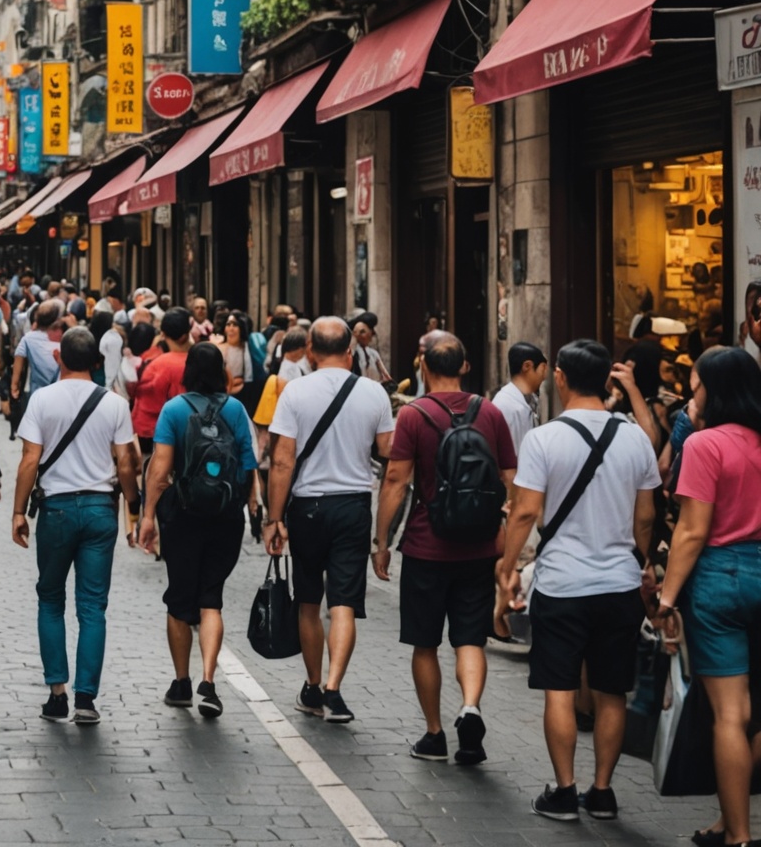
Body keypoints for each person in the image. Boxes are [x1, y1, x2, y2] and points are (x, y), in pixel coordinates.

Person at [496, 340, 660, 823]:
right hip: (619, 585)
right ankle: (603, 792)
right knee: (611, 691)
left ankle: (565, 792)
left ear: (561, 377)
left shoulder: (543, 438)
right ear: (607, 380)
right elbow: (646, 517)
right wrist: (642, 562)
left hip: (562, 584)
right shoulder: (635, 438)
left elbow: (524, 511)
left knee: (560, 690)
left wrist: (507, 568)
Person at [373, 333, 517, 765]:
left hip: (426, 545)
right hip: (479, 545)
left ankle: (434, 734)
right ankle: (470, 707)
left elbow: (396, 480)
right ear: (465, 367)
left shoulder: (413, 414)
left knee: (425, 644)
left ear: (423, 368)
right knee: (470, 638)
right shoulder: (490, 412)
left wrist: (382, 542)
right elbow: (511, 478)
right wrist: (505, 533)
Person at [653, 346, 761, 847]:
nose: (689, 395)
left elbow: (692, 531)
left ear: (713, 391)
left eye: (694, 385)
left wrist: (667, 600)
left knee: (731, 714)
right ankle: (725, 821)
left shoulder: (704, 444)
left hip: (720, 577)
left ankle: (737, 834)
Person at [265, 316, 396, 724]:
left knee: (308, 600)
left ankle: (313, 684)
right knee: (343, 603)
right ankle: (335, 690)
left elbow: (282, 460)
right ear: (350, 351)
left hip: (307, 507)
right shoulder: (374, 392)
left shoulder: (294, 391)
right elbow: (387, 450)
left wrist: (273, 518)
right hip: (353, 506)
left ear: (309, 351)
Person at [11, 327, 139, 726]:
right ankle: (86, 697)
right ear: (97, 362)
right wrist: (135, 506)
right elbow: (125, 463)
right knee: (93, 606)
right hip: (101, 509)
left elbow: (30, 459)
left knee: (50, 599)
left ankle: (57, 694)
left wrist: (18, 511)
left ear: (57, 358)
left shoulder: (41, 399)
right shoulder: (114, 404)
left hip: (57, 510)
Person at [134, 342, 259, 717]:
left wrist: (148, 515)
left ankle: (182, 682)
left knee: (179, 600)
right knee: (210, 599)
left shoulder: (174, 409)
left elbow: (159, 470)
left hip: (183, 515)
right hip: (226, 515)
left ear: (188, 371)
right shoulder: (236, 409)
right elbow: (249, 465)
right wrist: (254, 507)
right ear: (221, 371)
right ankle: (208, 680)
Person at [131, 309, 193, 458]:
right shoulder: (196, 361)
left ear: (163, 334)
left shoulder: (153, 361)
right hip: (179, 432)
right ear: (186, 335)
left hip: (148, 430)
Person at [9, 300, 64, 440]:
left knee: (37, 431)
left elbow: (19, 358)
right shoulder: (63, 337)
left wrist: (14, 384)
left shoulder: (29, 338)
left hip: (37, 393)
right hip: (62, 391)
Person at [492, 342, 548, 454]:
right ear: (527, 366)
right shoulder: (506, 405)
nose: (544, 377)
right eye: (542, 369)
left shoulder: (528, 399)